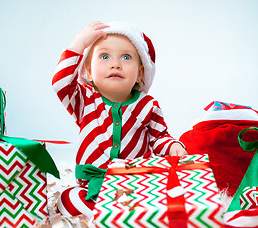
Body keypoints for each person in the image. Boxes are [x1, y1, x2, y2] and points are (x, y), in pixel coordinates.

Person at [52, 21, 187, 217]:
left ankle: (123, 214)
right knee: (68, 199)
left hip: (136, 184)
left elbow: (159, 137)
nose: (115, 64)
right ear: (88, 71)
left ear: (140, 73)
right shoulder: (84, 100)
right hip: (93, 187)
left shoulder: (148, 105)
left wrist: (172, 146)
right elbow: (60, 84)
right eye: (104, 56)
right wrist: (78, 45)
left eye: (126, 57)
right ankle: (113, 215)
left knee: (161, 201)